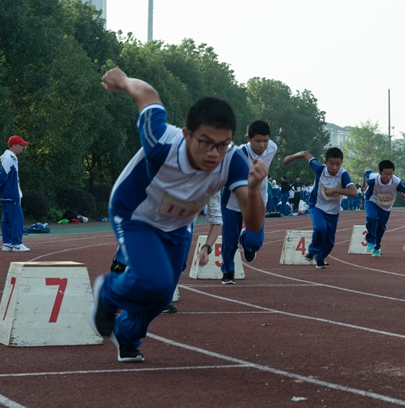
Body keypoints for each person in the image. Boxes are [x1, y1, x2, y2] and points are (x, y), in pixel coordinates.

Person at [91, 68, 267, 363]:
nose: (214, 153)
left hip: (178, 225)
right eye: (206, 143)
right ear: (187, 135)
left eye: (222, 145)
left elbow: (253, 225)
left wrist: (255, 189)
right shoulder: (162, 142)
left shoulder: (233, 160)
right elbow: (146, 94)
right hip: (135, 213)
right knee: (153, 280)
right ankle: (108, 292)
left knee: (162, 295)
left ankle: (127, 336)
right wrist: (122, 82)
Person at [220, 120, 277, 284]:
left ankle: (247, 241)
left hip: (257, 201)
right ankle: (228, 273)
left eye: (265, 140)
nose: (262, 145)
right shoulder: (237, 155)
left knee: (255, 242)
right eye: (258, 141)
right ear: (248, 138)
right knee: (229, 240)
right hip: (233, 201)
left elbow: (268, 145)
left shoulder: (272, 148)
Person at [282, 147, 357, 269]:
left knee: (330, 242)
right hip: (317, 206)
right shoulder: (320, 168)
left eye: (338, 164)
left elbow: (354, 192)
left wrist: (335, 190)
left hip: (333, 210)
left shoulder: (343, 174)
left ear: (341, 163)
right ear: (325, 162)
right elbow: (306, 153)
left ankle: (320, 258)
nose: (334, 168)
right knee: (320, 228)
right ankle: (312, 251)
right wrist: (291, 157)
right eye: (331, 164)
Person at [362, 160, 405, 257]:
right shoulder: (372, 178)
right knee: (371, 217)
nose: (388, 177)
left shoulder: (396, 181)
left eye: (390, 174)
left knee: (381, 228)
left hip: (386, 206)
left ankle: (377, 247)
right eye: (385, 174)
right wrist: (364, 181)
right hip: (372, 201)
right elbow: (366, 171)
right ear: (380, 173)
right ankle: (370, 241)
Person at [1, 135, 31, 252]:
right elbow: (3, 176)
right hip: (11, 194)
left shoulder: (8, 157)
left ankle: (7, 243)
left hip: (6, 194)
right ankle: (17, 243)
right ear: (13, 145)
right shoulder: (10, 158)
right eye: (20, 145)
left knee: (7, 219)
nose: (22, 147)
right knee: (17, 218)